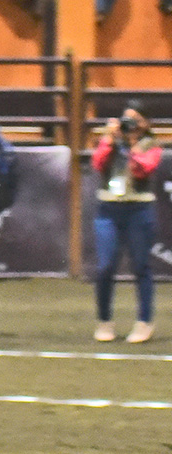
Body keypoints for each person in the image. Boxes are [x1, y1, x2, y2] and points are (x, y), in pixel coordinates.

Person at [91, 101, 161, 344]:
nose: (129, 124)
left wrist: (131, 146)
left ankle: (144, 321)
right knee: (105, 266)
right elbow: (98, 164)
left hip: (138, 210)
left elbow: (144, 169)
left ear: (145, 123)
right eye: (126, 119)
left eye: (135, 119)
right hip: (108, 209)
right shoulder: (111, 142)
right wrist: (109, 141)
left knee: (141, 266)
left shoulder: (151, 146)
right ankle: (104, 320)